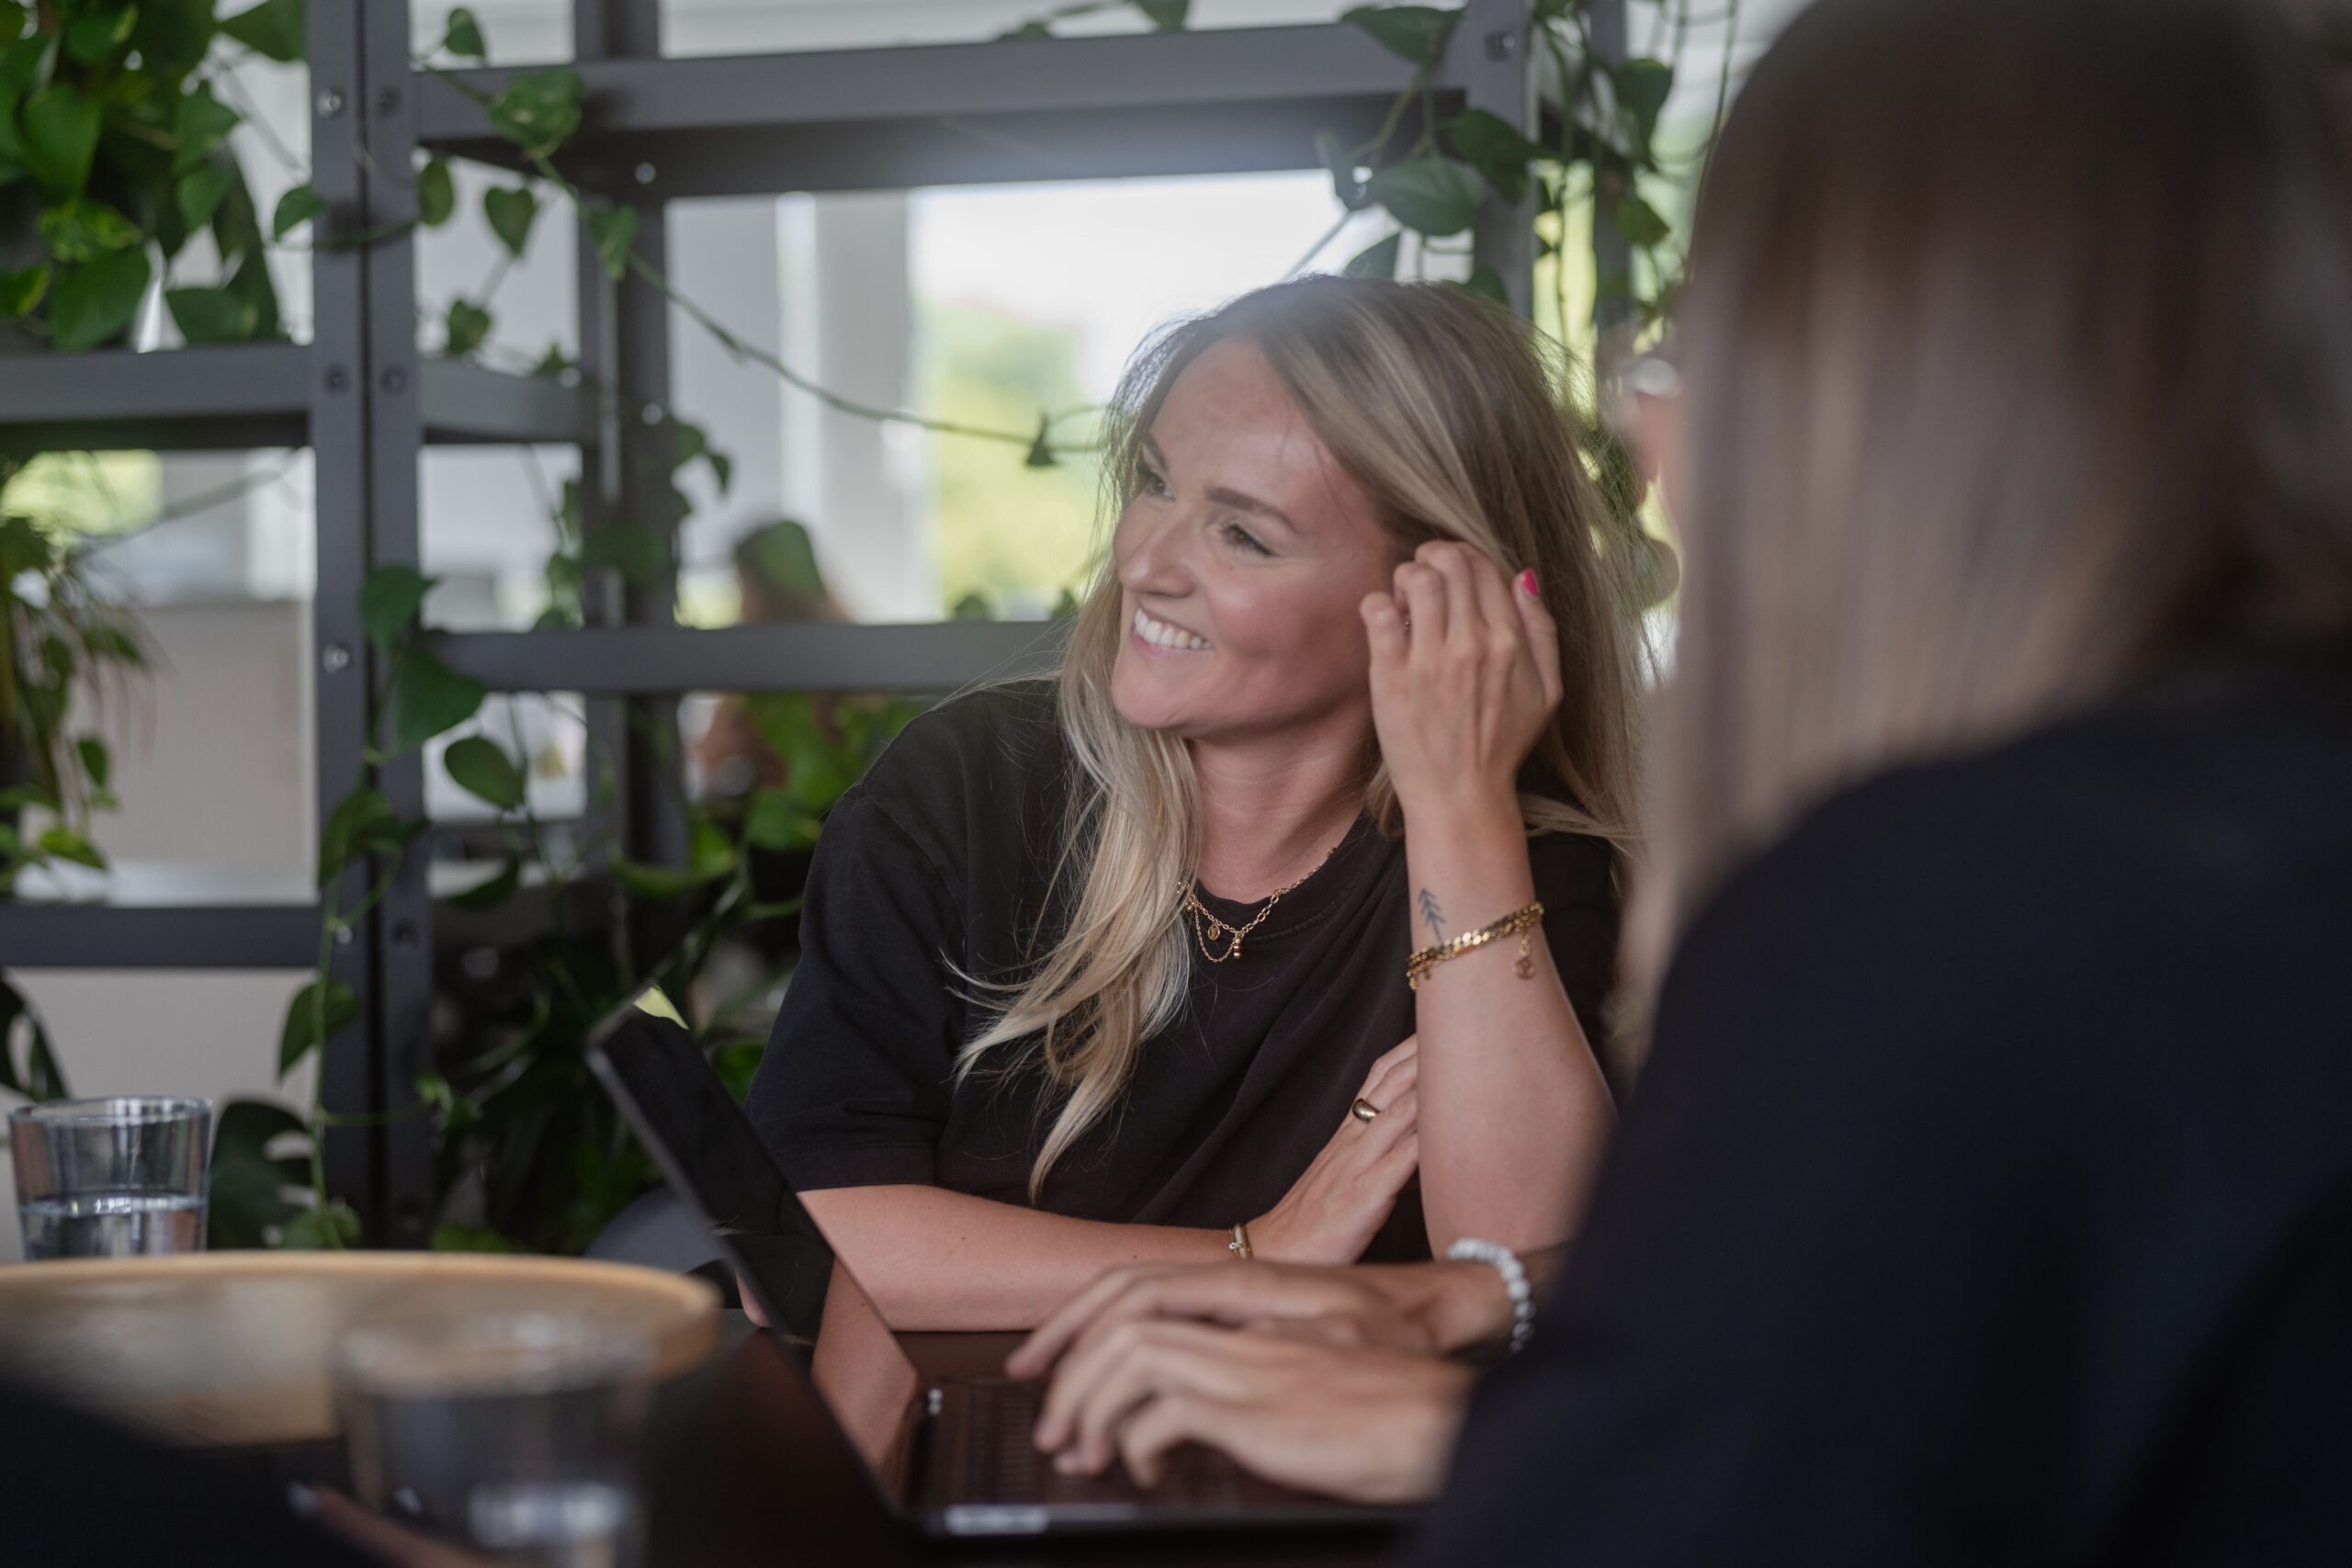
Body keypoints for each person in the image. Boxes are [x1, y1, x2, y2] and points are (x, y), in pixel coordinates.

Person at [1009, 0, 2352, 1558]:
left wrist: (1487, 1443)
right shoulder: (2249, 823)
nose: (1650, 434)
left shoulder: (1949, 905)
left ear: (1863, 386)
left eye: (1694, 351)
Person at [744, 277, 1649, 1328]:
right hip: (964, 1474)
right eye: (1155, 481)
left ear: (1434, 600)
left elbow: (1527, 1275)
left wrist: (1459, 809)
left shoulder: (1514, 868)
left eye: (1242, 536)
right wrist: (1254, 1259)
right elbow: (801, 1243)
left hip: (1322, 1483)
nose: (1142, 560)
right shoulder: (963, 790)